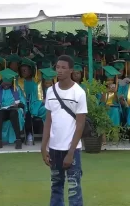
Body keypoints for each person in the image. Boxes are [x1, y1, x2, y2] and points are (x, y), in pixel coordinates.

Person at [41, 55, 87, 206]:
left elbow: (80, 125)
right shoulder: (50, 91)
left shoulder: (78, 92)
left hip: (72, 149)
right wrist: (43, 147)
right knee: (56, 187)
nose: (59, 71)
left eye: (63, 68)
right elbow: (48, 120)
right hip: (54, 149)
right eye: (57, 67)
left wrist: (71, 152)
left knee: (74, 190)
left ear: (71, 70)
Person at [0, 68, 26, 149]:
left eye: (8, 84)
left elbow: (22, 102)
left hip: (13, 110)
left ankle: (18, 140)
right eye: (4, 83)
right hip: (2, 110)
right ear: (1, 81)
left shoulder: (17, 89)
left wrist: (18, 104)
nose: (6, 85)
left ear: (12, 82)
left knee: (14, 114)